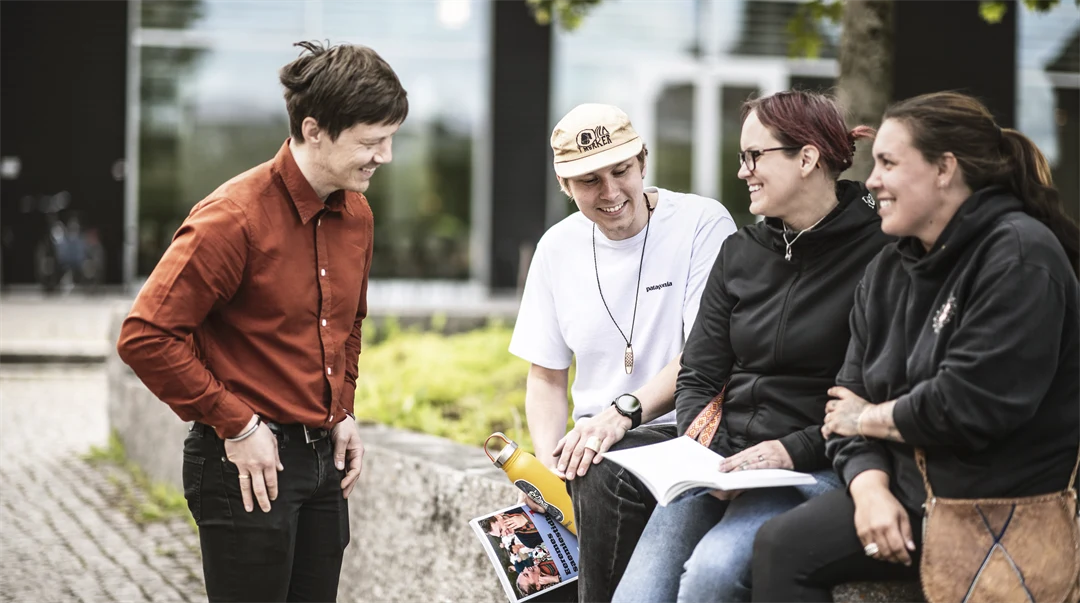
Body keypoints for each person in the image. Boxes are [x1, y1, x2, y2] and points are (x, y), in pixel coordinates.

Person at [751, 91, 1080, 602]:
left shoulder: (1019, 254)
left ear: (944, 168)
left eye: (888, 163)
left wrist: (868, 419)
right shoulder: (888, 267)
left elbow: (969, 405)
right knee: (779, 545)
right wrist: (870, 491)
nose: (872, 180)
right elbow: (842, 404)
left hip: (994, 508)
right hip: (906, 493)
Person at [116, 41, 408, 602]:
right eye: (372, 141)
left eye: (391, 139)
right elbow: (146, 336)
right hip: (245, 465)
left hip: (325, 465)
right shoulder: (233, 217)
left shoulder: (358, 215)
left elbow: (348, 324)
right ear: (314, 129)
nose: (386, 156)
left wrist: (342, 409)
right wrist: (237, 424)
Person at [612, 90, 890, 603]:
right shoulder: (740, 252)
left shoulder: (882, 253)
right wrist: (703, 452)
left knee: (711, 576)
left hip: (815, 465)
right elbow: (698, 371)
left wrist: (791, 451)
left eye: (753, 156)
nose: (742, 171)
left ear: (807, 157)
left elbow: (871, 392)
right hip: (722, 462)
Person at [508, 103, 737, 602]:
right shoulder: (556, 248)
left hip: (683, 427)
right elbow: (546, 376)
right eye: (589, 181)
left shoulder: (701, 222)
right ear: (565, 187)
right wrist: (550, 469)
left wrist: (619, 416)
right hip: (596, 442)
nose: (611, 193)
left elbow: (705, 353)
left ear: (644, 163)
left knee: (597, 470)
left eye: (621, 171)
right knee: (531, 560)